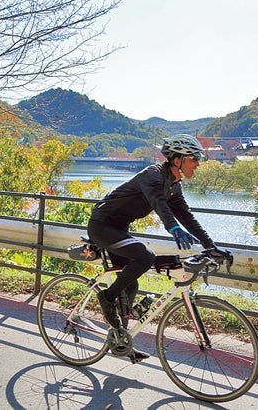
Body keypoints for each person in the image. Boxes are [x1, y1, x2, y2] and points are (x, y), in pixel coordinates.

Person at [87, 134, 222, 361]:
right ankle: (106, 298)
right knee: (145, 257)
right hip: (102, 226)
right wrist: (173, 229)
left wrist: (212, 246)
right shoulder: (153, 175)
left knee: (130, 285)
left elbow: (187, 217)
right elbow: (157, 202)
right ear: (177, 159)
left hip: (119, 229)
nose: (198, 163)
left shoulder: (173, 186)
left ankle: (122, 341)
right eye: (194, 158)